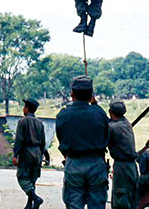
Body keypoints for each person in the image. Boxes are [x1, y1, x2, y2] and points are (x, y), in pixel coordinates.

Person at [56, 76, 109, 209]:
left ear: (72, 94)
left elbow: (61, 138)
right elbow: (107, 134)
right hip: (96, 162)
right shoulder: (99, 113)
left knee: (74, 204)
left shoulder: (63, 114)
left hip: (73, 162)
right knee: (97, 204)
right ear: (91, 95)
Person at [13, 98, 46, 209]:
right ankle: (30, 204)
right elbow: (43, 141)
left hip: (26, 151)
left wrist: (15, 155)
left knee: (22, 177)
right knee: (32, 178)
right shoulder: (40, 123)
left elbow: (19, 140)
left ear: (27, 109)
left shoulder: (22, 121)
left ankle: (35, 198)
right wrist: (43, 155)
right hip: (37, 152)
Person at [107, 99, 138, 209]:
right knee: (131, 198)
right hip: (131, 166)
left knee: (121, 199)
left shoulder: (113, 128)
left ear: (110, 112)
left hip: (122, 167)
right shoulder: (126, 123)